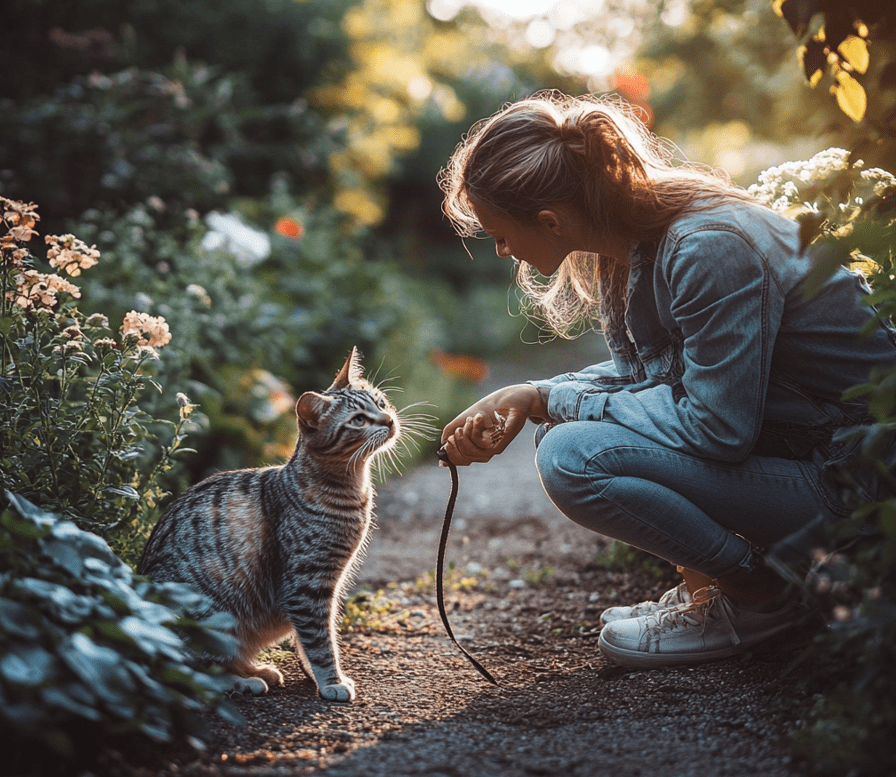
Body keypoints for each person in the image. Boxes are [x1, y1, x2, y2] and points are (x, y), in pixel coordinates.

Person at [437, 90, 896, 669]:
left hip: (859, 479)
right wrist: (534, 397)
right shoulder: (626, 246)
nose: (503, 251)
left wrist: (555, 403)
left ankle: (762, 598)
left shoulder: (707, 247)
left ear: (550, 220)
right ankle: (723, 588)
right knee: (563, 433)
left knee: (574, 456)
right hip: (808, 452)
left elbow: (716, 428)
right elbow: (650, 378)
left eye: (500, 235)